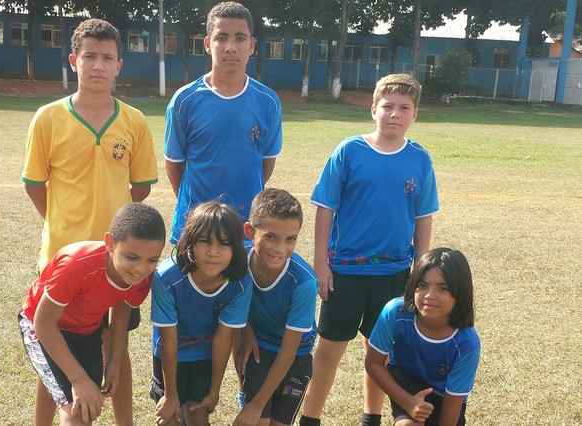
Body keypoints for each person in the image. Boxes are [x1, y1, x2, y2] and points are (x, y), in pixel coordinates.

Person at [21, 18, 158, 425]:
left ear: (120, 65)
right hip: (63, 257)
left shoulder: (133, 121)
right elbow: (35, 184)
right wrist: (61, 223)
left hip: (120, 258)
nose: (98, 65)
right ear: (73, 62)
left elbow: (141, 189)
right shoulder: (48, 117)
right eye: (89, 57)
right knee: (55, 351)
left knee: (116, 345)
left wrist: (118, 235)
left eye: (107, 58)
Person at [300, 73, 439, 426]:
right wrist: (321, 263)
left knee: (380, 354)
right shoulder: (349, 151)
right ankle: (310, 418)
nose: (394, 114)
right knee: (329, 349)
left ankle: (371, 418)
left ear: (414, 115)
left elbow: (423, 218)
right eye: (387, 106)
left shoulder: (419, 159)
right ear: (372, 109)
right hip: (344, 272)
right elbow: (325, 208)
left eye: (403, 108)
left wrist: (420, 271)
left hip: (394, 274)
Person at [18, 203, 165, 426]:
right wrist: (78, 380)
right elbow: (43, 322)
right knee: (79, 412)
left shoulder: (142, 277)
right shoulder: (77, 265)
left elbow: (122, 307)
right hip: (42, 326)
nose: (141, 268)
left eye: (152, 260)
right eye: (132, 257)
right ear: (110, 244)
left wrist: (114, 360)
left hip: (86, 331)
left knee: (88, 406)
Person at [164, 1, 283, 244]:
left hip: (245, 229)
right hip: (195, 225)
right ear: (208, 44)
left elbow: (265, 163)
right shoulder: (185, 100)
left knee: (241, 283)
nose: (230, 47)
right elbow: (174, 165)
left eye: (240, 38)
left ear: (251, 46)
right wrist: (197, 210)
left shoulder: (268, 101)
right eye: (221, 38)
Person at [150, 201, 252, 426]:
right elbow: (168, 340)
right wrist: (170, 395)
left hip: (205, 356)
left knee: (198, 415)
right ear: (189, 242)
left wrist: (215, 390)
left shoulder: (240, 283)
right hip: (170, 354)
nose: (213, 252)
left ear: (236, 247)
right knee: (170, 418)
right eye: (205, 241)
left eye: (224, 244)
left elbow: (223, 338)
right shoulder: (167, 277)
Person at [365, 248, 481, 426]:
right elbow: (373, 363)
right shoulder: (396, 312)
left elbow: (452, 402)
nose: (429, 296)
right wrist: (407, 402)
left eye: (443, 288)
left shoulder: (467, 343)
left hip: (445, 399)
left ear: (460, 293)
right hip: (405, 382)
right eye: (422, 285)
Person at [233, 188, 318, 426]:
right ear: (250, 231)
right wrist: (247, 330)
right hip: (259, 348)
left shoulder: (304, 282)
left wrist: (257, 404)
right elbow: (231, 306)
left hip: (295, 356)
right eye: (271, 237)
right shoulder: (237, 263)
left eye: (290, 239)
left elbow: (289, 351)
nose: (280, 249)